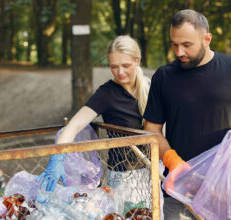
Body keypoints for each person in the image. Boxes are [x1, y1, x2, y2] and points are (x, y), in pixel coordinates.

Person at [143, 9, 231, 219]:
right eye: (174, 44)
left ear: (207, 39)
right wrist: (171, 160)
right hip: (180, 189)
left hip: (226, 187)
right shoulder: (163, 76)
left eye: (187, 45)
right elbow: (151, 129)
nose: (179, 52)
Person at [38, 35, 154, 208]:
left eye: (126, 66)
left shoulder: (150, 87)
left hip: (152, 171)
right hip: (123, 178)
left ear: (137, 60)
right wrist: (58, 156)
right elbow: (75, 125)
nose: (120, 72)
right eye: (114, 67)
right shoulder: (106, 94)